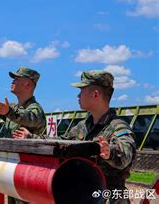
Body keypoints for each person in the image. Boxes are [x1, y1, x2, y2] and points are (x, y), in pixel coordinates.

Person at [13, 70, 136, 202]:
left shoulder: (118, 127)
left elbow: (126, 155)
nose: (78, 96)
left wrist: (109, 152)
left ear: (95, 94)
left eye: (82, 91)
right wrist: (31, 137)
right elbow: (61, 141)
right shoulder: (83, 126)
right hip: (84, 194)